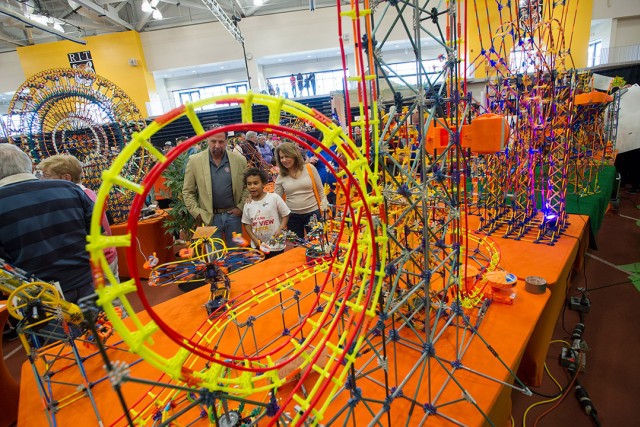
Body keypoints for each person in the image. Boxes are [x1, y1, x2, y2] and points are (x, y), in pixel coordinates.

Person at [0, 144, 95, 304]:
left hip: (39, 298)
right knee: (104, 328)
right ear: (27, 163)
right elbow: (98, 234)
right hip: (87, 281)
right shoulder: (70, 189)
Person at [37, 154, 119, 280]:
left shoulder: (76, 198)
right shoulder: (87, 192)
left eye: (46, 176)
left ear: (66, 177)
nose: (41, 180)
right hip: (106, 255)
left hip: (96, 261)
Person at [183, 125, 249, 249]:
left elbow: (247, 187)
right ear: (207, 140)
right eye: (213, 141)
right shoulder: (194, 161)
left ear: (226, 141)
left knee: (237, 256)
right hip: (209, 218)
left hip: (233, 216)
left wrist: (240, 207)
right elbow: (188, 191)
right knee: (214, 259)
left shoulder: (240, 160)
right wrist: (197, 213)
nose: (217, 145)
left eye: (221, 142)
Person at [274, 142, 328, 238]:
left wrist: (325, 211)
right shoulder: (281, 176)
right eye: (281, 157)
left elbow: (321, 191)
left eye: (287, 156)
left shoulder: (309, 168)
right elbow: (275, 199)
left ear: (294, 155)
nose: (284, 160)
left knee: (318, 243)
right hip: (292, 217)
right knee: (297, 246)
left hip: (313, 214)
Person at [241, 168, 290, 259]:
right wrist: (254, 239)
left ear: (263, 183)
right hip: (258, 246)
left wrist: (280, 229)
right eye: (249, 184)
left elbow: (286, 214)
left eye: (256, 183)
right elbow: (246, 223)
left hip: (276, 245)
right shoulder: (248, 204)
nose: (252, 186)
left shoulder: (274, 198)